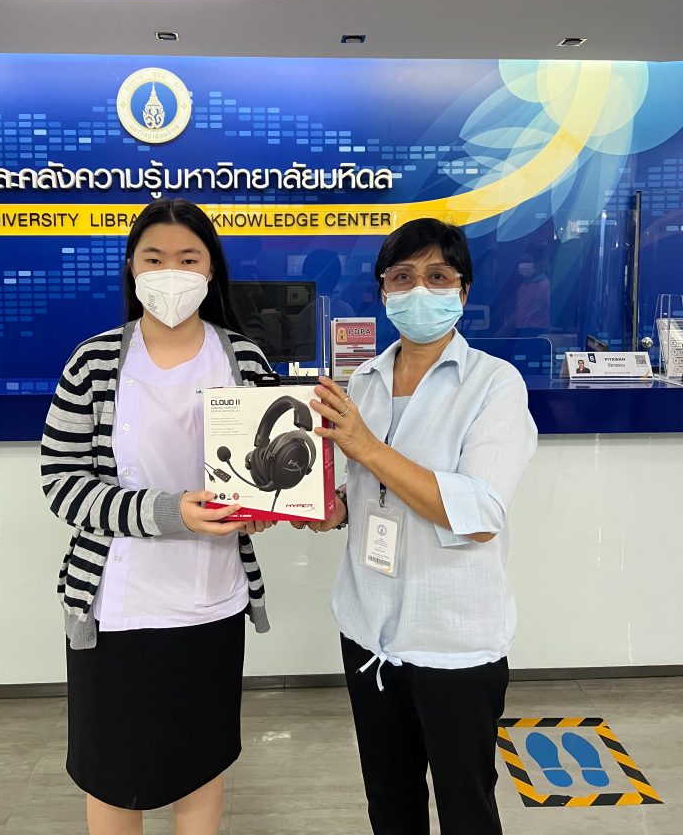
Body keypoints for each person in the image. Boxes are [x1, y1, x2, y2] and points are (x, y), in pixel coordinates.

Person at [41, 198, 274, 835]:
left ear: (211, 269)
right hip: (117, 609)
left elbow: (271, 472)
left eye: (188, 259)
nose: (172, 272)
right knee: (114, 773)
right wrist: (170, 512)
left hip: (211, 603)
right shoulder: (94, 362)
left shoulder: (244, 360)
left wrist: (265, 509)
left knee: (201, 764)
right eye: (154, 258)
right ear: (131, 268)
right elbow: (62, 485)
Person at [297, 217, 537, 835]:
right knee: (390, 805)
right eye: (402, 277)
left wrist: (367, 447)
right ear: (384, 291)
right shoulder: (364, 382)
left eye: (438, 276)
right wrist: (329, 509)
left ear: (463, 290)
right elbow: (363, 491)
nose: (419, 290)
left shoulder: (494, 385)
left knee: (466, 810)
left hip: (451, 643)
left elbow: (479, 515)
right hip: (367, 632)